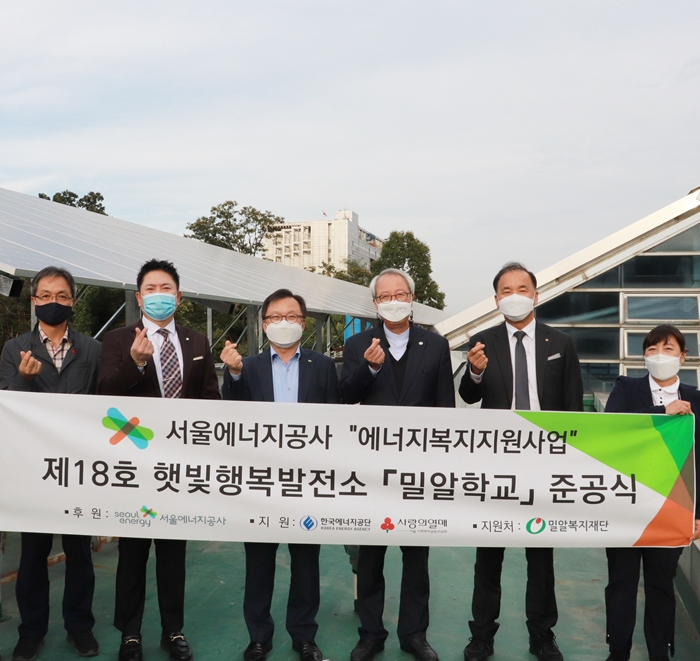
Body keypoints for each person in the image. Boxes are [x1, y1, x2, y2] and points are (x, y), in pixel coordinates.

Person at [97, 259, 221, 661]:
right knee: (132, 552)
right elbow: (104, 393)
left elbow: (210, 398)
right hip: (134, 462)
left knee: (172, 553)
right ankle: (130, 634)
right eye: (150, 289)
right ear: (139, 298)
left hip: (179, 466)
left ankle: (173, 631)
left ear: (178, 296)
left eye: (166, 288)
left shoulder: (197, 342)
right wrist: (135, 362)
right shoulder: (118, 340)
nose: (158, 295)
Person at [459, 262, 583, 661]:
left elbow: (573, 407)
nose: (515, 295)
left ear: (535, 294)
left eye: (522, 288)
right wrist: (474, 373)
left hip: (544, 463)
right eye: (506, 290)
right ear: (496, 299)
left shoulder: (560, 343)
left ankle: (542, 635)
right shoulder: (483, 341)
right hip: (497, 462)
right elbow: (468, 395)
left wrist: (570, 463)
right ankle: (482, 636)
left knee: (541, 554)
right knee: (488, 553)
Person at [339, 268, 454, 661]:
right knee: (371, 555)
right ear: (375, 303)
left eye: (400, 294)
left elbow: (445, 407)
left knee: (416, 555)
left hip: (420, 468)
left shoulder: (435, 344)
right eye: (385, 296)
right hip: (372, 467)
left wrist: (441, 465)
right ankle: (371, 633)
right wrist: (369, 368)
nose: (393, 301)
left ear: (411, 298)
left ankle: (414, 635)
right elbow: (345, 396)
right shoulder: (358, 344)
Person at [220, 288, 340, 661]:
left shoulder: (322, 366)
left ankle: (304, 636)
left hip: (307, 481)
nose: (283, 323)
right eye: (275, 317)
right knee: (259, 563)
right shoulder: (247, 365)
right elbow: (232, 417)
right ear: (264, 323)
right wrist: (233, 374)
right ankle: (259, 636)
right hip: (260, 481)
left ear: (303, 323)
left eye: (291, 316)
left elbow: (334, 422)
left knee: (306, 563)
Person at [0, 267, 102, 661]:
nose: (53, 302)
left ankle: (80, 627)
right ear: (33, 301)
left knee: (80, 552)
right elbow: (6, 403)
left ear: (73, 301)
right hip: (35, 468)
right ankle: (31, 631)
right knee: (33, 554)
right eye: (45, 295)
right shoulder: (15, 349)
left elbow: (103, 402)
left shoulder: (91, 349)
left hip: (79, 466)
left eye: (61, 296)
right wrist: (23, 380)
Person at [602, 325, 700, 661]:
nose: (659, 355)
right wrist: (663, 412)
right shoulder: (627, 387)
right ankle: (618, 650)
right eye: (652, 350)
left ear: (683, 356)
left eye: (668, 349)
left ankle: (659, 652)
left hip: (672, 507)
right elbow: (612, 427)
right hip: (626, 502)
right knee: (621, 581)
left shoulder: (695, 398)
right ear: (644, 357)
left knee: (661, 583)